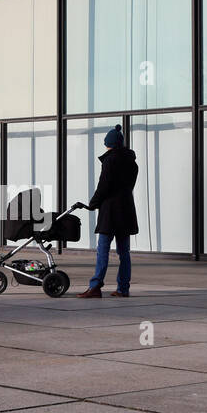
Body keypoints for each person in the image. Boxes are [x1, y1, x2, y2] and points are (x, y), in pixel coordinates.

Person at [78, 124, 138, 298]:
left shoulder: (110, 161)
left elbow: (104, 186)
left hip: (110, 212)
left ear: (109, 144)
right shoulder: (132, 164)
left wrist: (93, 203)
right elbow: (128, 187)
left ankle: (95, 286)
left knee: (103, 249)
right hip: (126, 211)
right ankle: (123, 288)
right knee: (124, 252)